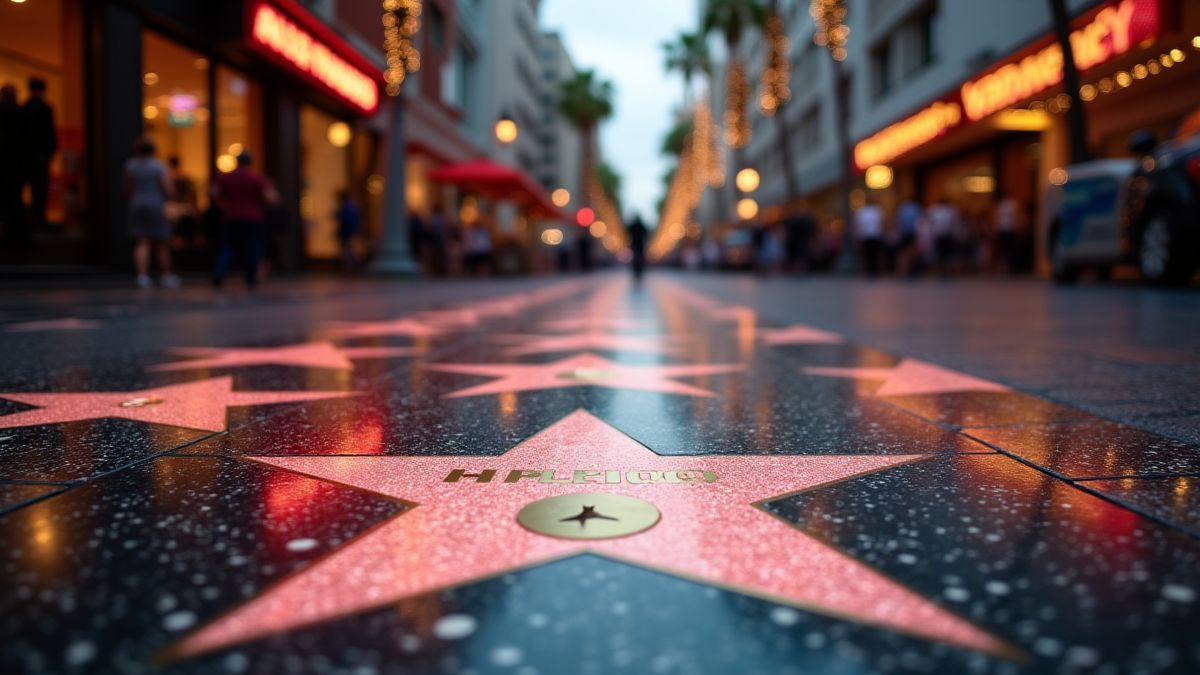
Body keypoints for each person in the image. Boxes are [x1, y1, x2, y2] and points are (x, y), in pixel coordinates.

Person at [211, 152, 274, 289]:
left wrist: (224, 205)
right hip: (253, 217)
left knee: (228, 247)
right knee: (252, 247)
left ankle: (219, 273)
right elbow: (270, 197)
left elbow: (214, 194)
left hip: (231, 216)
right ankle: (251, 277)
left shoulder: (225, 177)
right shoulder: (256, 177)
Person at [123, 137, 177, 288]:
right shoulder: (159, 166)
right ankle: (165, 275)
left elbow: (127, 187)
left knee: (142, 241)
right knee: (160, 242)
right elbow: (168, 188)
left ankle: (142, 276)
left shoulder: (131, 165)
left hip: (137, 204)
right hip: (155, 204)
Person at [22, 77, 56, 233]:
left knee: (26, 187)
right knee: (40, 188)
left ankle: (29, 219)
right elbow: (50, 134)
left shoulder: (24, 108)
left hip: (26, 155)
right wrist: (50, 153)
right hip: (41, 155)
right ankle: (39, 218)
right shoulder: (45, 108)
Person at [0, 84, 23, 249]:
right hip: (16, 163)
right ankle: (15, 235)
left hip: (5, 162)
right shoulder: (20, 112)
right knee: (15, 197)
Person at [167, 156, 200, 251]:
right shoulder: (184, 177)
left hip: (175, 208)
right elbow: (193, 194)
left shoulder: (170, 177)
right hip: (185, 208)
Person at [926, 198, 962, 276]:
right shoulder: (950, 210)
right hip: (946, 234)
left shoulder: (934, 210)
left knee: (941, 254)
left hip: (939, 234)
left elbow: (929, 221)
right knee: (946, 254)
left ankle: (941, 270)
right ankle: (945, 270)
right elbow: (954, 223)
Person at [853, 197, 885, 277]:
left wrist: (858, 235)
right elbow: (881, 223)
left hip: (868, 236)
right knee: (871, 254)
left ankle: (871, 271)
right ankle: (872, 271)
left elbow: (858, 225)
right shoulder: (876, 210)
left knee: (869, 254)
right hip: (872, 235)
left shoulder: (863, 211)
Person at [993, 194, 1024, 274]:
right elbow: (1016, 216)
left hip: (1004, 229)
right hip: (1010, 229)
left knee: (1005, 250)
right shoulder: (1012, 203)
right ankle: (1009, 268)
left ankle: (1007, 267)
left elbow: (997, 217)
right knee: (1010, 250)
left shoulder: (1002, 204)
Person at [783, 204, 816, 273]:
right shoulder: (804, 221)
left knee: (797, 257)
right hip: (799, 243)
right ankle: (799, 270)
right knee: (800, 256)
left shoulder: (793, 221)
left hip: (796, 243)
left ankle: (796, 270)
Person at [893, 197, 922, 276]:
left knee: (903, 252)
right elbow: (920, 221)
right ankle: (911, 269)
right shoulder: (916, 208)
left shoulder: (902, 208)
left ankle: (903, 270)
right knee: (912, 251)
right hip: (913, 232)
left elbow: (897, 222)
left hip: (904, 232)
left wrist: (897, 233)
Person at [335, 189, 361, 274]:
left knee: (347, 250)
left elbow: (344, 220)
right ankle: (352, 267)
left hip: (346, 231)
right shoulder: (352, 206)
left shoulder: (346, 206)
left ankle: (350, 267)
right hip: (350, 231)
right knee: (349, 249)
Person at [626, 213, 649, 281]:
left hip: (634, 243)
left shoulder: (632, 226)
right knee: (640, 257)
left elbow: (627, 232)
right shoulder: (642, 225)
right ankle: (639, 270)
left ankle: (636, 270)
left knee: (635, 257)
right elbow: (646, 234)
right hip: (640, 244)